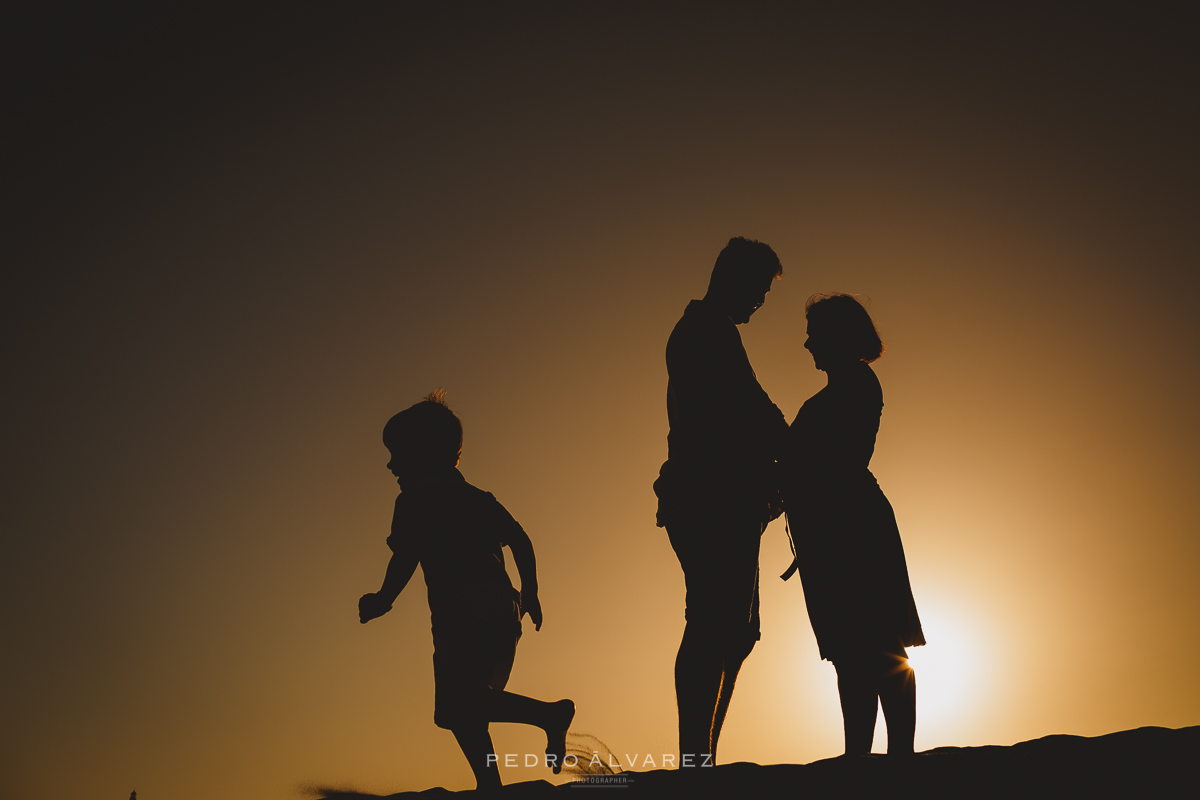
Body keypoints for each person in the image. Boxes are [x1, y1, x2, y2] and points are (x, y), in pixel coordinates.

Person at [358, 390, 575, 790]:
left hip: (462, 610)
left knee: (459, 706)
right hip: (502, 611)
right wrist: (530, 593)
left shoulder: (414, 500)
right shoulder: (477, 498)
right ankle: (489, 783)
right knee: (465, 708)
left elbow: (406, 556)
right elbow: (520, 539)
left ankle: (548, 715)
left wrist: (382, 599)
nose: (390, 464)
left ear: (424, 453)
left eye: (397, 453)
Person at [653, 237, 789, 765]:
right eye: (756, 289)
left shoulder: (709, 330)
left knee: (736, 630)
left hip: (719, 497)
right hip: (707, 496)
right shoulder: (706, 330)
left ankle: (702, 753)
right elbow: (750, 408)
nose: (758, 301)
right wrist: (796, 452)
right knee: (716, 623)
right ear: (731, 277)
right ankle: (696, 760)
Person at [780, 293, 924, 756]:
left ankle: (898, 757)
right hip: (831, 529)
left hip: (851, 528)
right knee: (849, 653)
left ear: (836, 336)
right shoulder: (844, 389)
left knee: (879, 647)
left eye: (813, 334)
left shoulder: (857, 385)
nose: (806, 344)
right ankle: (858, 758)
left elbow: (831, 461)